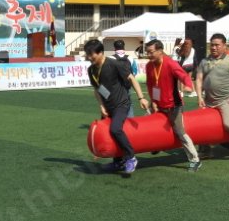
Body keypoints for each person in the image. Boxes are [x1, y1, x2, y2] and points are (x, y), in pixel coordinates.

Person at [84, 39, 149, 174]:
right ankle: (118, 162)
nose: (89, 57)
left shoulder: (114, 64)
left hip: (121, 104)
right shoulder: (90, 70)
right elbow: (97, 90)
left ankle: (131, 157)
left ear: (100, 52)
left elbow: (131, 78)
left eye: (91, 54)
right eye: (87, 54)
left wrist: (141, 98)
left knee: (115, 129)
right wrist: (101, 106)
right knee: (107, 133)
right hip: (107, 107)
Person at [145, 39, 202, 172]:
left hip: (174, 105)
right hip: (158, 104)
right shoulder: (149, 66)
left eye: (151, 52)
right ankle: (157, 145)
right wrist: (153, 100)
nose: (148, 55)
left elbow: (184, 76)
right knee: (149, 123)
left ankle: (195, 160)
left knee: (180, 132)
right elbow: (150, 85)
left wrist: (188, 86)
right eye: (147, 52)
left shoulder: (170, 64)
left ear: (160, 51)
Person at [112, 39, 139, 117]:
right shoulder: (130, 58)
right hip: (127, 86)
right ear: (124, 47)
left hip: (115, 87)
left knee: (115, 105)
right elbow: (134, 72)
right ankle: (130, 122)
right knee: (129, 104)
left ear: (114, 48)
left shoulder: (110, 58)